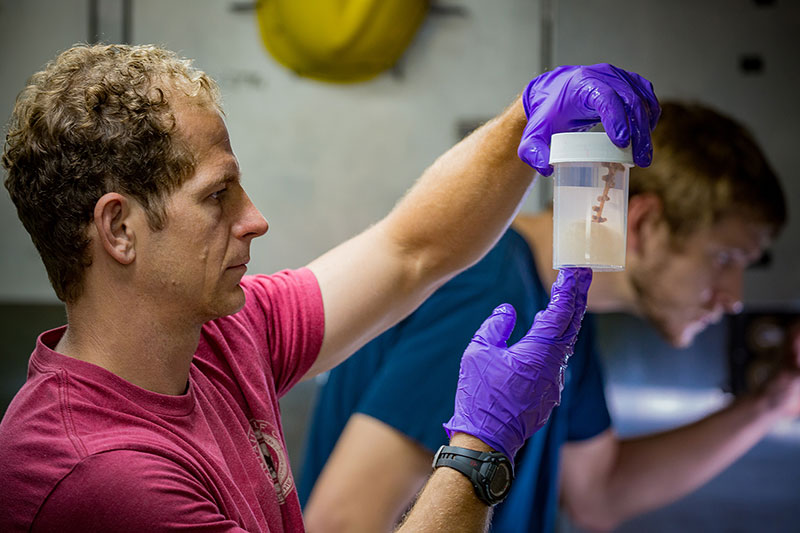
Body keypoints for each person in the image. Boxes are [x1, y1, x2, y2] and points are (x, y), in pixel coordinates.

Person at [0, 44, 657, 532]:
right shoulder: (99, 474)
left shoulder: (220, 336)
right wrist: (480, 450)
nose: (254, 219)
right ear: (119, 228)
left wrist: (527, 115)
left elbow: (411, 251)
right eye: (218, 196)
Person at [299, 101, 800, 532]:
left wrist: (774, 401)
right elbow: (341, 522)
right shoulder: (494, 299)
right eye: (725, 260)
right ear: (645, 224)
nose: (735, 297)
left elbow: (598, 492)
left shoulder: (564, 319)